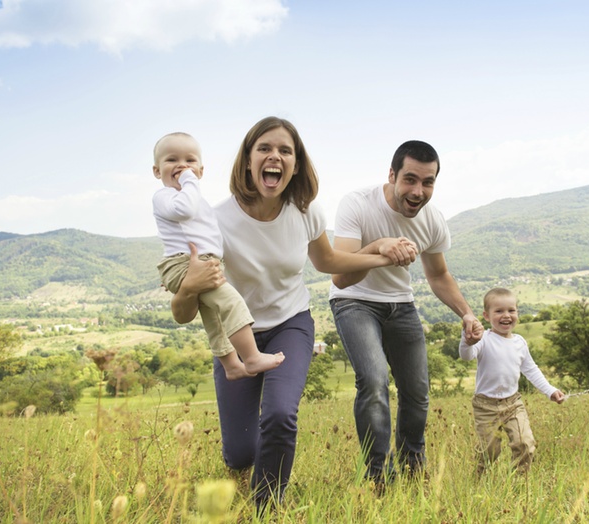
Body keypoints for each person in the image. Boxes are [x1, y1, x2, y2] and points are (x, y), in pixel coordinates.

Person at [170, 116, 415, 509]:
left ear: (296, 164)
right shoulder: (215, 220)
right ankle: (246, 471)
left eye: (286, 150)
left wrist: (380, 252)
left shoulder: (305, 211)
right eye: (265, 148)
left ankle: (267, 508)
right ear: (248, 160)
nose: (275, 156)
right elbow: (182, 312)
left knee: (281, 416)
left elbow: (329, 261)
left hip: (291, 325)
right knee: (239, 453)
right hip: (239, 337)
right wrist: (189, 285)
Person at [329, 140, 483, 489]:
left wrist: (467, 314)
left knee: (417, 390)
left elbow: (438, 276)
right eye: (410, 180)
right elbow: (340, 274)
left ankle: (413, 471)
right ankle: (377, 477)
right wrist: (380, 247)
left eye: (427, 182)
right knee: (373, 380)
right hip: (354, 300)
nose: (418, 192)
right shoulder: (357, 204)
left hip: (401, 304)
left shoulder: (431, 220)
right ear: (392, 175)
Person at [151, 132, 284, 380]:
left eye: (190, 161)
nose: (182, 166)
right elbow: (185, 209)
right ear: (157, 171)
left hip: (201, 262)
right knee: (231, 302)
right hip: (185, 263)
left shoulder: (196, 200)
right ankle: (252, 357)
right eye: (172, 160)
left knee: (215, 318)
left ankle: (232, 365)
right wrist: (190, 180)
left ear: (202, 170)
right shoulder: (166, 196)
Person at [458, 287, 565, 474]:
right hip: (486, 405)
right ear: (486, 315)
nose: (506, 315)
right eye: (499, 311)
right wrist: (467, 340)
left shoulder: (519, 343)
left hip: (513, 404)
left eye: (511, 310)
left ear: (517, 313)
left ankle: (519, 482)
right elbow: (466, 356)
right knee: (489, 451)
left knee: (525, 443)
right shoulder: (484, 339)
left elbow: (531, 370)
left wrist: (550, 390)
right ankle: (480, 480)